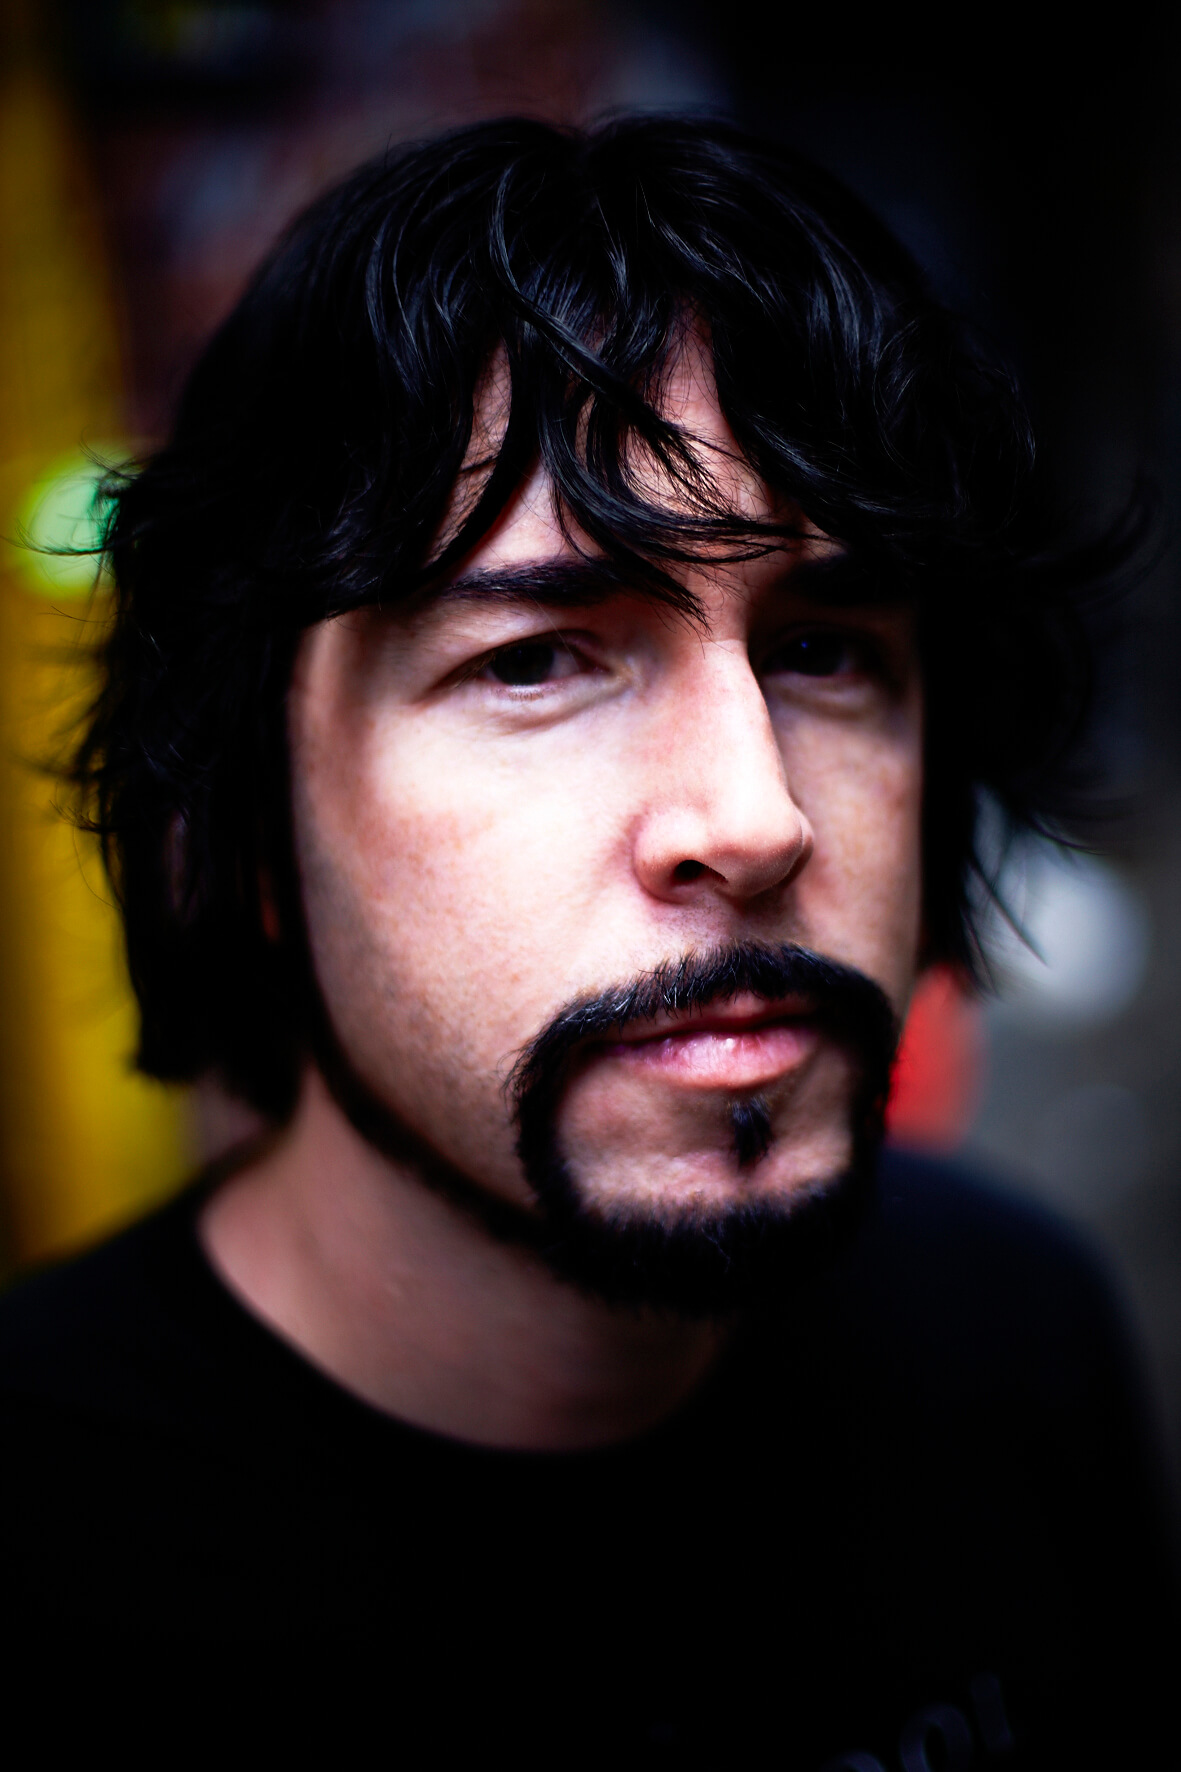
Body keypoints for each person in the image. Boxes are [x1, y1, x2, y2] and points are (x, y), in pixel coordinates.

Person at [0, 116, 1174, 1764]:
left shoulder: (1015, 1335)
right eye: (536, 660)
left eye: (824, 649)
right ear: (245, 822)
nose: (756, 816)